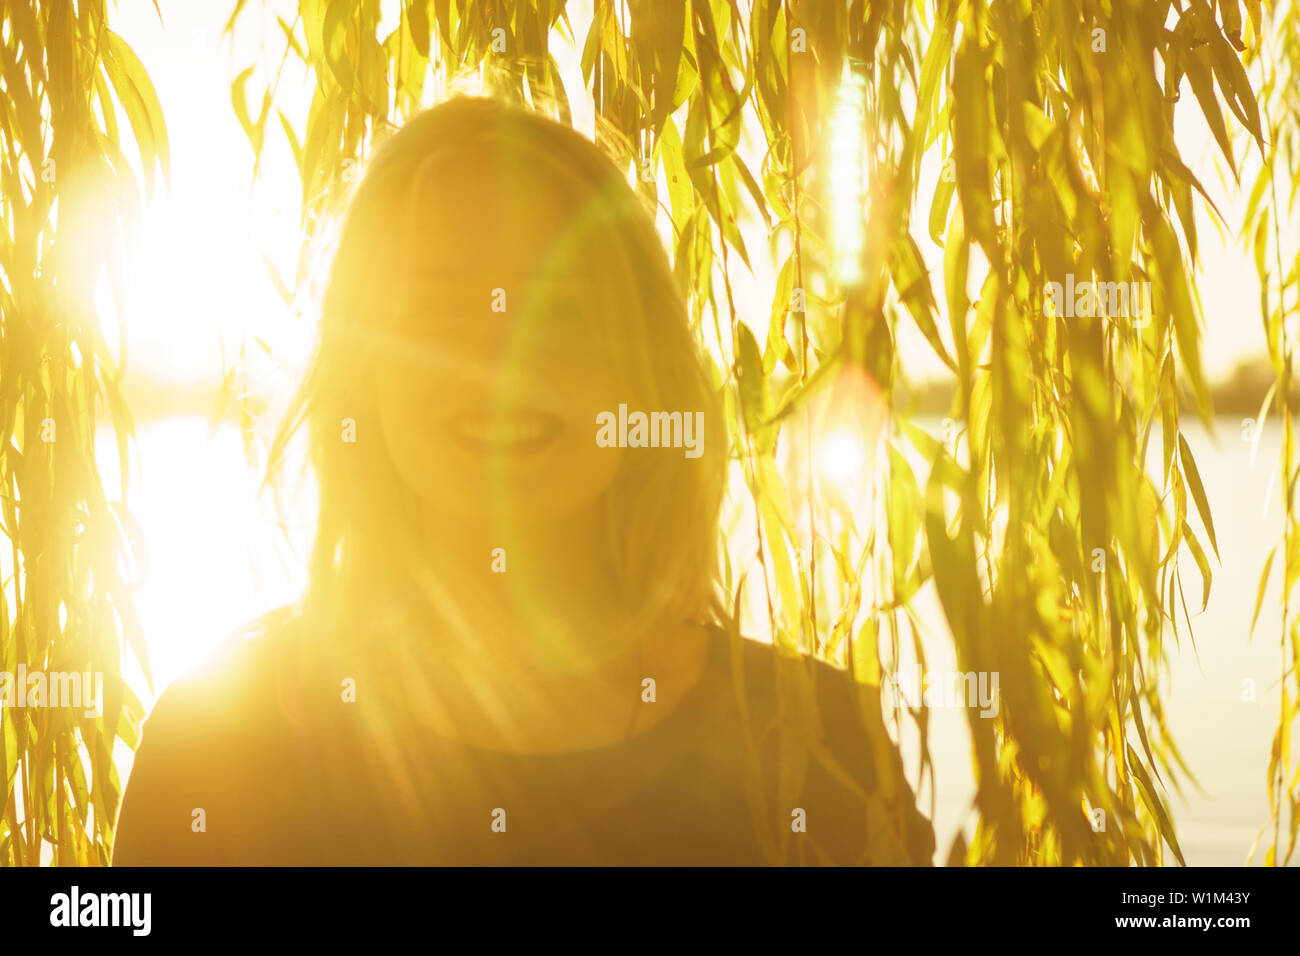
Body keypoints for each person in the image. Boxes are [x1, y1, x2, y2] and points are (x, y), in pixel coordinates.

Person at [112, 97, 934, 865]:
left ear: (644, 373)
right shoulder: (221, 746)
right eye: (439, 314)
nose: (503, 364)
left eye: (563, 310)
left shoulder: (819, 747)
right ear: (365, 377)